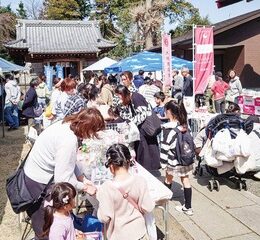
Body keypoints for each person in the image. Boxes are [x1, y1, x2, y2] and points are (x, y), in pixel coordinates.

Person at [23, 108, 105, 239]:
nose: (91, 136)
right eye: (92, 131)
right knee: (46, 227)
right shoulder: (68, 140)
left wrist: (82, 178)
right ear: (86, 127)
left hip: (36, 174)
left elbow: (70, 160)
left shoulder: (66, 124)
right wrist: (84, 187)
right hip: (39, 183)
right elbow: (62, 179)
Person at [96, 144, 154, 240]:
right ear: (129, 161)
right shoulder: (140, 181)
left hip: (118, 235)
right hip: (139, 232)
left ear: (111, 166)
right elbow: (148, 207)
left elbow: (104, 217)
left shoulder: (106, 187)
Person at [114, 85, 161, 171]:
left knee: (145, 152)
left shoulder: (136, 97)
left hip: (145, 129)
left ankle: (146, 171)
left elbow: (143, 114)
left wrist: (130, 122)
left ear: (123, 94)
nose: (118, 98)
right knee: (143, 152)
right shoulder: (129, 99)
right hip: (140, 129)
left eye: (119, 96)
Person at [160, 100, 194, 215]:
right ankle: (188, 207)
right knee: (185, 180)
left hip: (172, 160)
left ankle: (164, 204)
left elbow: (165, 147)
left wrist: (163, 163)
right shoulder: (184, 125)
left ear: (169, 112)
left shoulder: (167, 128)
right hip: (185, 159)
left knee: (168, 179)